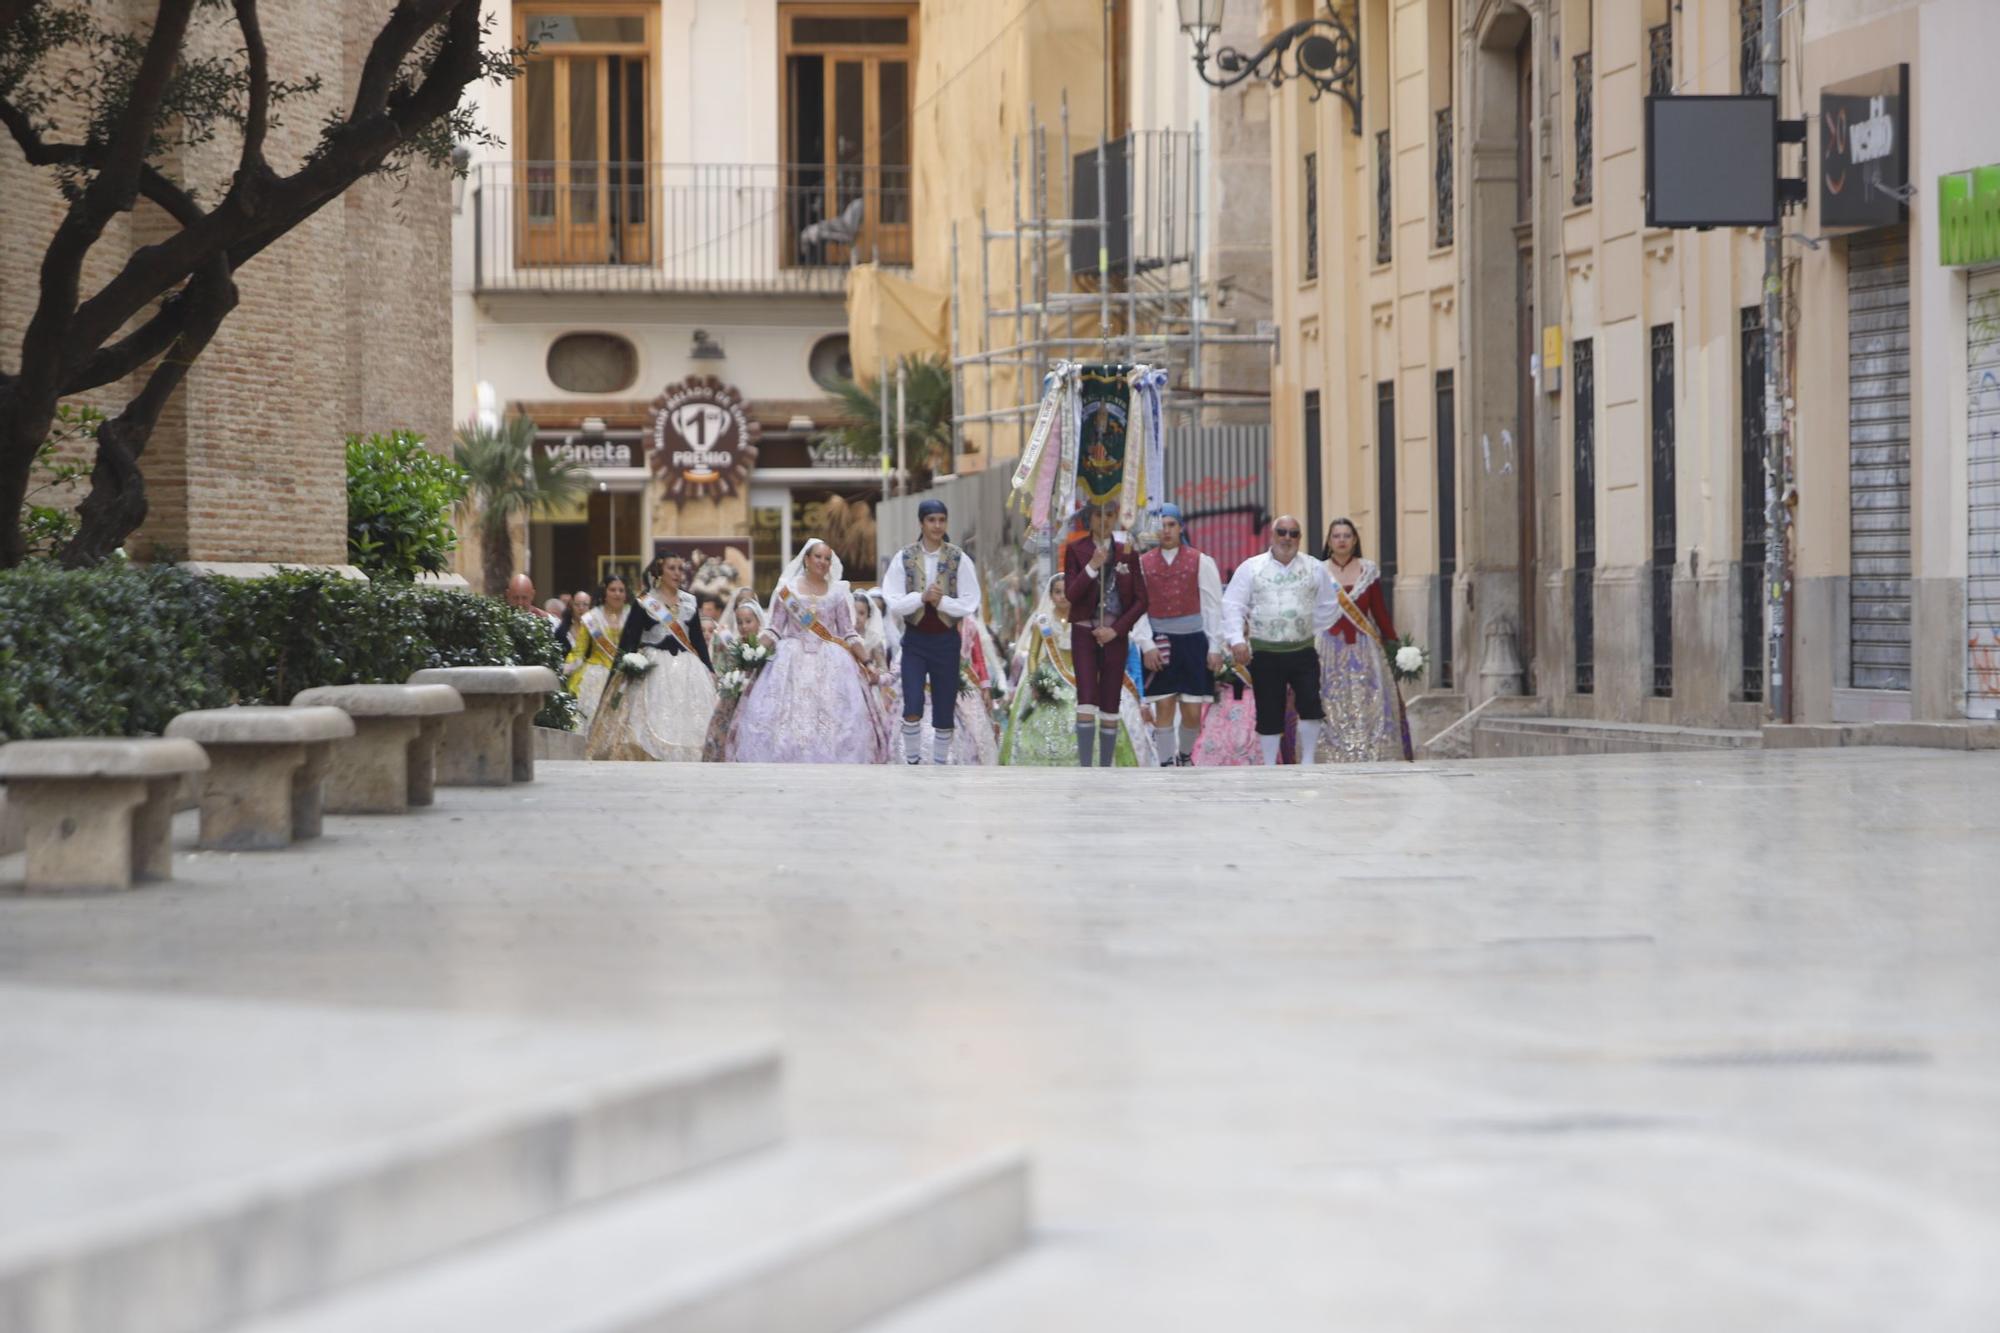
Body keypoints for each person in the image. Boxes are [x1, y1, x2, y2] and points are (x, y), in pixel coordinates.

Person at [728, 539, 887, 764]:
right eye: (818, 557)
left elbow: (849, 633)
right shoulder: (787, 593)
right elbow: (773, 630)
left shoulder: (838, 593)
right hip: (790, 660)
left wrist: (868, 662)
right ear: (806, 559)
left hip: (832, 662)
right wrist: (752, 652)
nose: (823, 562)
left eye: (827, 558)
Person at [1221, 514, 1338, 766]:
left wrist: (1306, 626)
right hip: (1265, 652)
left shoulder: (1315, 567)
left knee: (1310, 703)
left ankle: (1307, 761)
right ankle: (1270, 764)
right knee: (1268, 708)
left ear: (1300, 538)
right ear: (1272, 536)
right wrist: (1237, 640)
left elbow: (1329, 605)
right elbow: (1232, 604)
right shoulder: (1251, 567)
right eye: (1282, 532)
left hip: (1302, 649)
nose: (1287, 538)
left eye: (1293, 533)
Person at [880, 497, 982, 765]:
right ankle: (913, 762)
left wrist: (942, 602)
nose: (937, 525)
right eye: (931, 520)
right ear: (921, 523)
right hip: (915, 640)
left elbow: (970, 600)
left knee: (944, 707)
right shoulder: (905, 557)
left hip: (946, 640)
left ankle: (939, 764)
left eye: (941, 520)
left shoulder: (958, 558)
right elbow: (892, 598)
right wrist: (920, 598)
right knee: (912, 704)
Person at [591, 553, 716, 762]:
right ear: (659, 571)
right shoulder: (645, 602)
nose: (677, 573)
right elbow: (629, 640)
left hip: (688, 670)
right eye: (672, 568)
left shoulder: (690, 602)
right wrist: (621, 671)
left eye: (680, 568)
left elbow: (698, 641)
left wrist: (709, 669)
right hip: (655, 669)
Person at [1317, 518, 1414, 763]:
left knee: (1369, 699)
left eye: (1346, 536)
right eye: (1336, 536)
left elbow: (1380, 611)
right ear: (1329, 541)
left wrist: (1394, 646)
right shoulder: (1318, 571)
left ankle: (1372, 750)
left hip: (1363, 648)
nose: (1341, 540)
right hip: (1329, 648)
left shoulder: (1368, 570)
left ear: (1355, 540)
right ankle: (1331, 753)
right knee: (1329, 699)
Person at [1135, 504, 1224, 767]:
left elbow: (1212, 605)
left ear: (1181, 527)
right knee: (1164, 705)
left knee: (1192, 711)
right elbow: (1138, 607)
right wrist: (1146, 644)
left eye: (1171, 524)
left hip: (1193, 641)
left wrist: (1215, 646)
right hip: (1160, 641)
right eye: (1161, 525)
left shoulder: (1200, 561)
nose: (1166, 530)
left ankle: (1184, 755)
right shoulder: (1143, 564)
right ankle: (1165, 762)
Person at [1064, 501, 1148, 768]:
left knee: (1111, 698)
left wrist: (1116, 630)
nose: (1103, 521)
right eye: (1098, 515)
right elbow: (1070, 594)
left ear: (1116, 518)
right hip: (1084, 633)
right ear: (1089, 518)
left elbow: (1141, 600)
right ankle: (1086, 766)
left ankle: (1105, 765)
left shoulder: (1127, 551)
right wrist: (1091, 567)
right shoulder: (1076, 549)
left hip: (1114, 634)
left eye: (1109, 515)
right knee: (1087, 695)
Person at [702, 595, 767, 761]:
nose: (743, 627)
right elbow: (726, 668)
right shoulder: (735, 644)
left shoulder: (765, 645)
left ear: (759, 621)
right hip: (734, 696)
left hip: (758, 697)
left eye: (748, 621)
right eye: (739, 622)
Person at [562, 573, 630, 727]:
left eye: (621, 590)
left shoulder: (632, 616)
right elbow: (579, 651)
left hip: (625, 676)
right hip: (596, 677)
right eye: (613, 589)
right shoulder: (592, 618)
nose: (617, 594)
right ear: (605, 592)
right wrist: (566, 669)